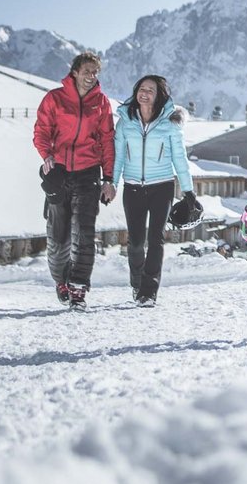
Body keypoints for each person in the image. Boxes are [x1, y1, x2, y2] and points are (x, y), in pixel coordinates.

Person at [33, 52, 115, 309]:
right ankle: (61, 280)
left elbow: (107, 141)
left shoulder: (101, 103)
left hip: (88, 172)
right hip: (58, 173)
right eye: (88, 71)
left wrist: (109, 178)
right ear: (75, 72)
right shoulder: (54, 99)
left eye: (96, 73)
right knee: (58, 236)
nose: (92, 77)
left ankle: (79, 288)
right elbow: (41, 131)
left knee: (85, 233)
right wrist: (46, 155)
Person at [110, 74, 198, 307]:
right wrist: (111, 182)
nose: (145, 92)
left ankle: (149, 291)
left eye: (150, 90)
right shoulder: (125, 121)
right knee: (136, 242)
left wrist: (189, 192)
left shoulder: (170, 123)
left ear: (159, 96)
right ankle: (137, 283)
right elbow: (118, 156)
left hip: (162, 187)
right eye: (142, 88)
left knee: (155, 239)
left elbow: (180, 158)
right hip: (133, 188)